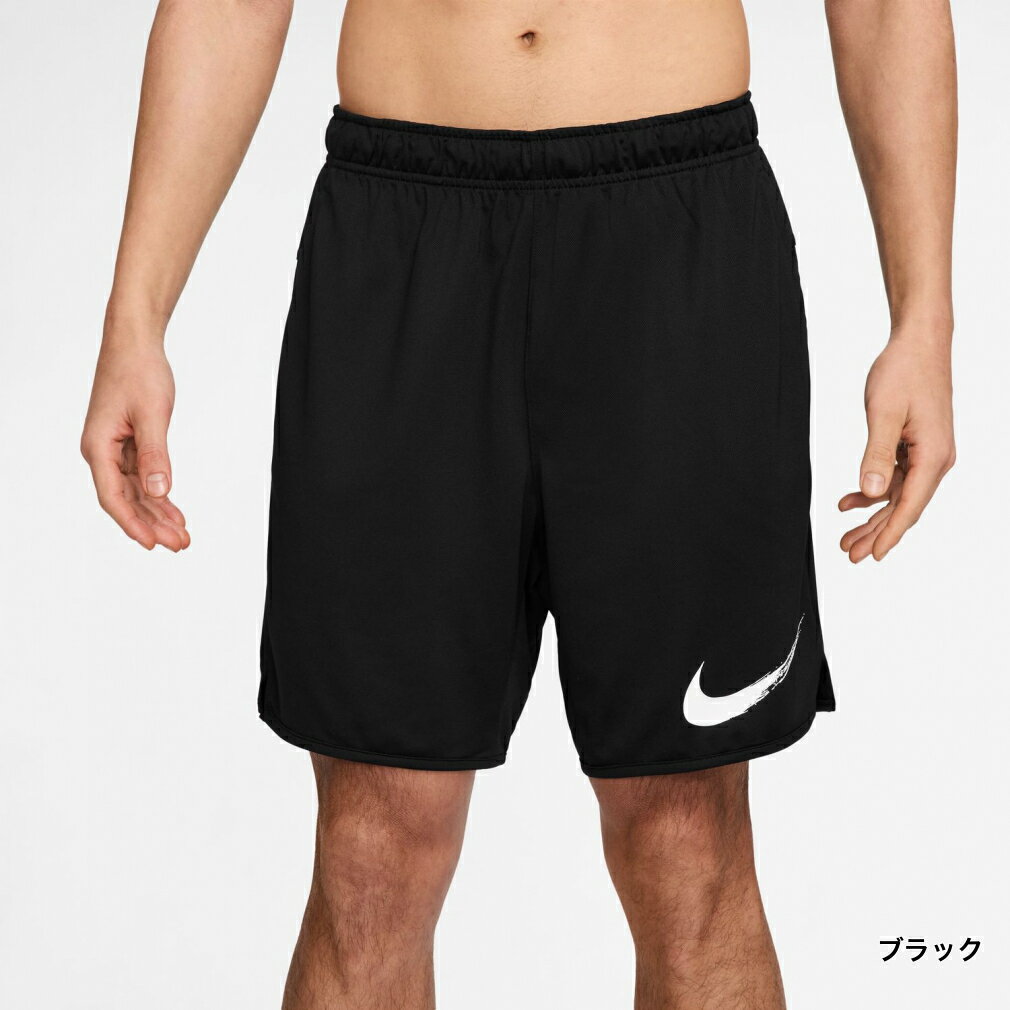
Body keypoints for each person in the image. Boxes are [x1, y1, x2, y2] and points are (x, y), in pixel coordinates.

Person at [80, 1, 957, 1007]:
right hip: (399, 232)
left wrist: (922, 320)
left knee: (685, 839)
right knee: (372, 849)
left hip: (675, 234)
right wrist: (135, 317)